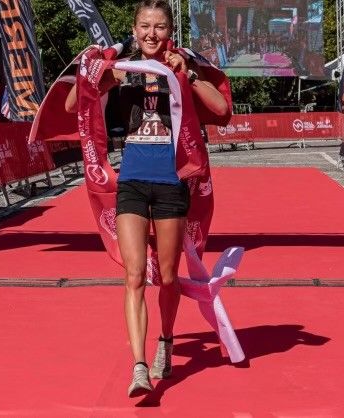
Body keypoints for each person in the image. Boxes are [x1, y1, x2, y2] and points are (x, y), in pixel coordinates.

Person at [65, 0, 229, 398]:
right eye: (144, 26)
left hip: (171, 183)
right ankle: (139, 367)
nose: (151, 33)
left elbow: (222, 109)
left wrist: (188, 75)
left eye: (158, 26)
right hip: (132, 184)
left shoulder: (180, 66)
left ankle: (166, 341)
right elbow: (73, 104)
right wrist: (103, 73)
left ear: (169, 31)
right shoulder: (123, 68)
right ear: (134, 30)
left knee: (168, 277)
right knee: (134, 275)